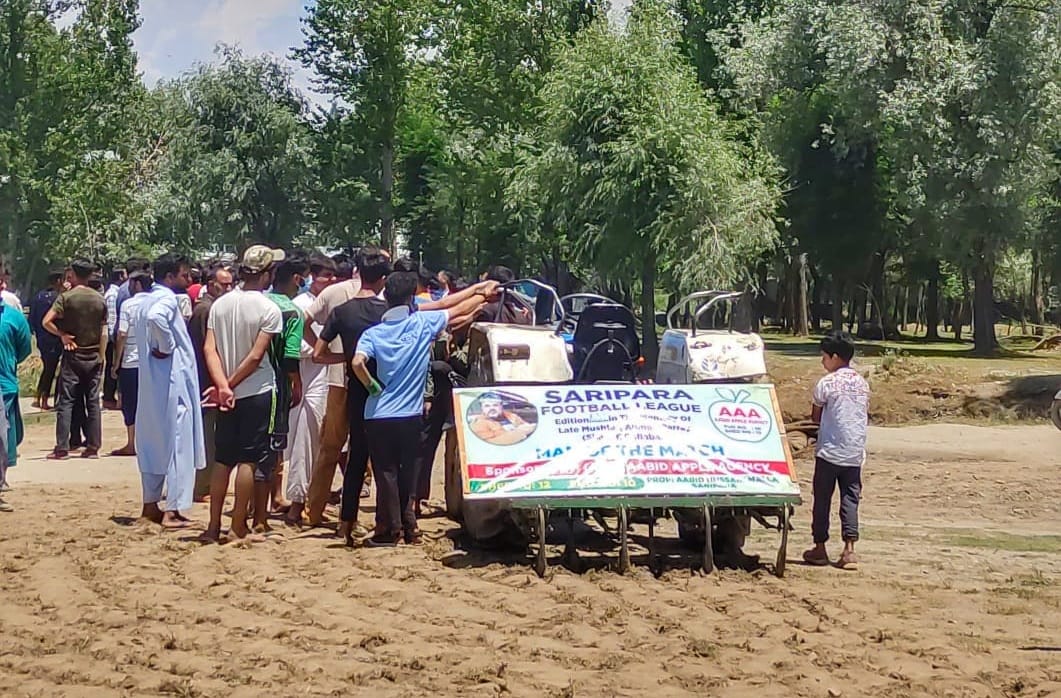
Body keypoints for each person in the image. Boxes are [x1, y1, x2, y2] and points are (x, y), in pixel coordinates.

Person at [351, 271, 494, 546]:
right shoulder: (421, 324)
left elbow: (357, 363)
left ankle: (388, 531)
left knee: (386, 474)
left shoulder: (373, 333)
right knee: (408, 472)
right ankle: (410, 528)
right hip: (411, 414)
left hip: (377, 413)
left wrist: (372, 387)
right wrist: (482, 293)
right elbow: (454, 311)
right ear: (411, 299)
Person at [202, 245, 285, 542]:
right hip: (255, 390)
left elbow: (209, 348)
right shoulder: (269, 309)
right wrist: (231, 385)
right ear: (266, 274)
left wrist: (222, 385)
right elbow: (254, 357)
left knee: (223, 459)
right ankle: (238, 524)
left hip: (226, 392)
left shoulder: (220, 304)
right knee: (249, 460)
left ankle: (213, 525)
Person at [314, 248, 391, 542]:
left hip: (356, 388)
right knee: (385, 458)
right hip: (385, 390)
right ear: (383, 279)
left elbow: (318, 354)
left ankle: (346, 521)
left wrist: (346, 359)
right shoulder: (388, 313)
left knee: (357, 456)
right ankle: (387, 522)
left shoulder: (342, 312)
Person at [133, 254, 205, 528]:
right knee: (178, 442)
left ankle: (150, 504)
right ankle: (172, 510)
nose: (188, 280)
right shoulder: (165, 301)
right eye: (185, 274)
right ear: (171, 276)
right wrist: (166, 347)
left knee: (152, 442)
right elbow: (156, 319)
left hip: (151, 384)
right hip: (172, 382)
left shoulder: (142, 300)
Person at [803, 330, 869, 571]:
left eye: (824, 356)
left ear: (834, 356)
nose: (823, 361)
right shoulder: (862, 383)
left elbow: (815, 417)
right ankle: (849, 550)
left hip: (830, 452)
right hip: (854, 453)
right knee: (850, 500)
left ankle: (820, 548)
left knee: (822, 499)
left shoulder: (827, 383)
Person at [282, 255, 336, 526]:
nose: (330, 280)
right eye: (325, 275)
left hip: (328, 381)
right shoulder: (301, 306)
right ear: (312, 277)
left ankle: (315, 501)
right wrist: (321, 351)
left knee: (327, 446)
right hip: (307, 381)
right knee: (304, 443)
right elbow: (294, 347)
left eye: (333, 276)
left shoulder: (333, 304)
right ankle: (297, 502)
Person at [43, 260, 107, 460]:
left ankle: (62, 447)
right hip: (94, 354)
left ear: (73, 274)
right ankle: (93, 447)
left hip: (73, 354)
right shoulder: (99, 299)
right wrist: (102, 355)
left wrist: (62, 335)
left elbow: (46, 321)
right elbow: (105, 331)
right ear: (90, 276)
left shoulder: (66, 298)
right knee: (93, 402)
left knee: (66, 401)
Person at [188, 264, 235, 501]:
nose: (228, 288)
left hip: (211, 380)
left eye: (230, 284)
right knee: (207, 435)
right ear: (209, 284)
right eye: (223, 284)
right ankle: (201, 486)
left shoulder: (213, 308)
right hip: (206, 381)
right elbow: (202, 350)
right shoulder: (205, 310)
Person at [266, 252, 308, 516]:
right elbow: (290, 356)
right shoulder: (293, 312)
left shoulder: (258, 302)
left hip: (245, 380)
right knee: (275, 442)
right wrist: (297, 384)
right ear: (296, 278)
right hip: (277, 382)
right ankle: (275, 497)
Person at [110, 271, 152, 457]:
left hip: (130, 363)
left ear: (136, 284)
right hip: (151, 363)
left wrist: (115, 362)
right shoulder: (155, 303)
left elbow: (122, 334)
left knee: (130, 404)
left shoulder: (128, 304)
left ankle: (132, 443)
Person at [0, 294, 32, 511]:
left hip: (4, 383)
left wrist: (9, 362)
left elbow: (25, 348)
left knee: (4, 437)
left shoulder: (13, 317)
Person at [28, 271, 65, 410]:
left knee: (46, 368)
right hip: (54, 338)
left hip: (41, 339)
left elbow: (31, 319)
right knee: (51, 369)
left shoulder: (37, 297)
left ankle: (38, 396)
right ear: (58, 281)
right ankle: (44, 399)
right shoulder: (58, 298)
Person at [468, 393, 536, 446]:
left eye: (495, 405)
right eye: (487, 406)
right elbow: (488, 444)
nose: (492, 408)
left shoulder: (510, 416)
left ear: (501, 406)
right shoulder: (478, 423)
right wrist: (519, 433)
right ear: (482, 409)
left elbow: (527, 426)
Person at [102, 268, 126, 409]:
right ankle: (108, 397)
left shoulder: (116, 293)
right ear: (120, 276)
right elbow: (111, 318)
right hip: (112, 338)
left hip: (113, 337)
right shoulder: (112, 294)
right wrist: (113, 339)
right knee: (112, 366)